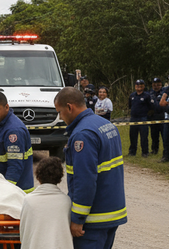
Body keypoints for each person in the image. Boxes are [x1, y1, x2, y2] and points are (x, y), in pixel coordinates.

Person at [54, 87, 126, 249]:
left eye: (60, 112)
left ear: (69, 107)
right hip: (111, 212)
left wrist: (78, 219)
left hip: (93, 220)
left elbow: (84, 181)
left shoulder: (82, 135)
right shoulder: (106, 124)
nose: (60, 117)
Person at [19, 156, 73, 249]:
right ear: (60, 178)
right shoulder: (66, 201)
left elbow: (23, 231)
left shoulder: (28, 200)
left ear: (38, 176)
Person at [0, 91, 34, 192]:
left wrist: (6, 191)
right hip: (2, 184)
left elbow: (15, 166)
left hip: (17, 190)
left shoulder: (14, 131)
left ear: (6, 107)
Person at [127, 79, 154, 157]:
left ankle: (145, 152)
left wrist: (147, 116)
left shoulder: (147, 95)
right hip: (133, 118)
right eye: (137, 85)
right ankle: (132, 152)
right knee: (132, 136)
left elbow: (151, 107)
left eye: (140, 85)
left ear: (143, 86)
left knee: (144, 136)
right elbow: (130, 106)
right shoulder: (132, 95)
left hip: (143, 118)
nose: (138, 87)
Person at [149, 77, 165, 155]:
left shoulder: (164, 92)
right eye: (154, 85)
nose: (156, 86)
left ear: (161, 85)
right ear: (152, 85)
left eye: (158, 85)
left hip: (162, 117)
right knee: (154, 135)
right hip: (153, 117)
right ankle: (154, 150)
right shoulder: (150, 93)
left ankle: (166, 151)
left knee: (164, 136)